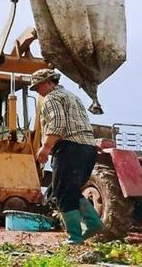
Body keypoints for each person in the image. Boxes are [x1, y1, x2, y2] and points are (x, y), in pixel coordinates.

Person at [31, 68, 103, 244]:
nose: (37, 91)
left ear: (48, 82)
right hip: (88, 148)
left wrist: (45, 148)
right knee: (70, 190)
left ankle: (74, 236)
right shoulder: (72, 96)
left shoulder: (51, 98)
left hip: (69, 148)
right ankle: (92, 223)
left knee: (61, 192)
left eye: (38, 87)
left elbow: (57, 124)